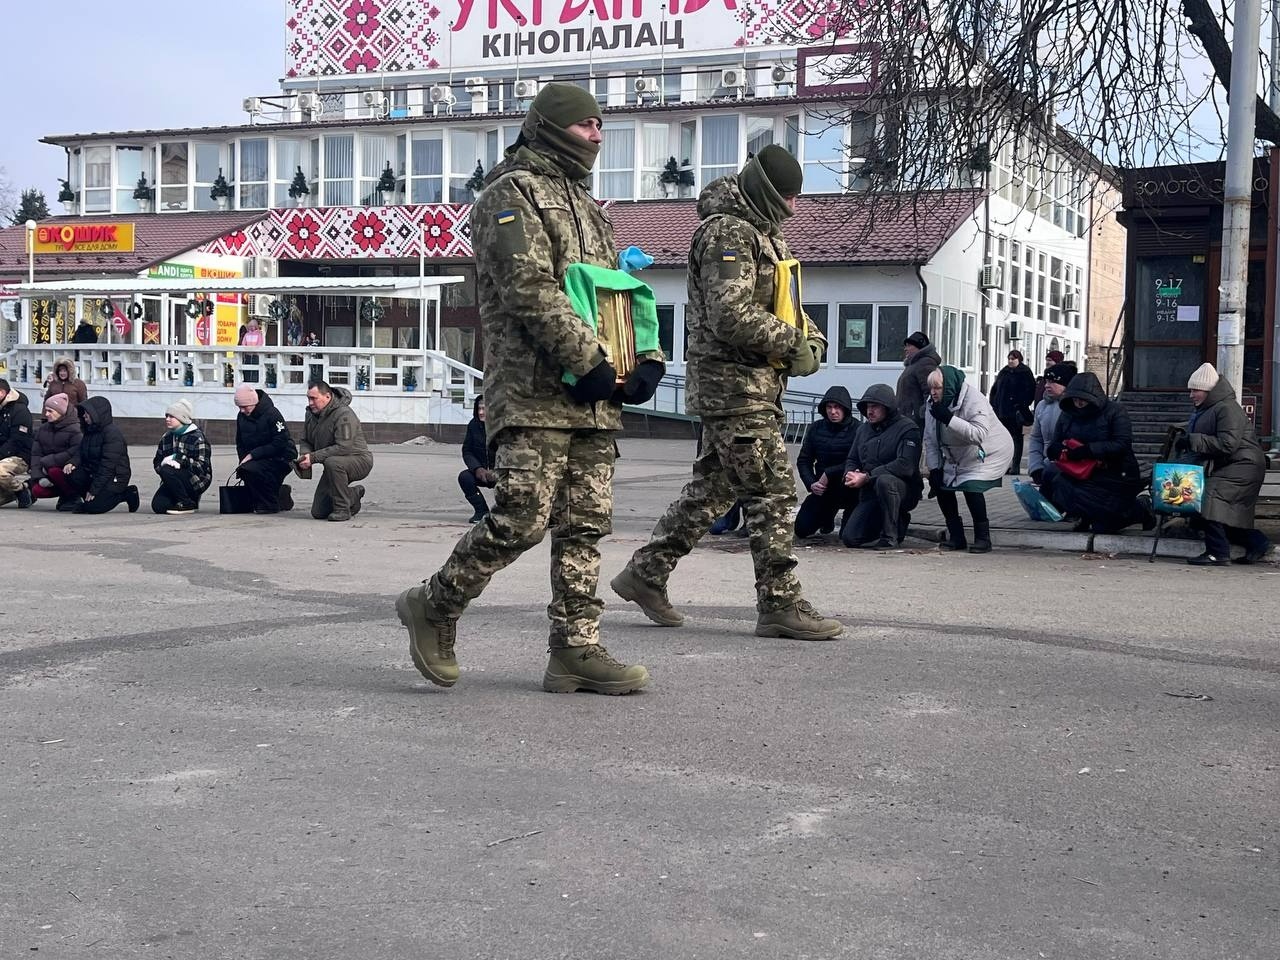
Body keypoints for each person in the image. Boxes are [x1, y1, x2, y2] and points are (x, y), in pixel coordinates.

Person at [394, 83, 664, 694]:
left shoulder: (588, 204)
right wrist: (589, 358)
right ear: (550, 127)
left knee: (585, 523)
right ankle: (435, 604)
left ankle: (576, 647)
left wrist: (641, 358)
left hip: (594, 395)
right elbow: (529, 289)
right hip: (536, 391)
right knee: (522, 515)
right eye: (586, 124)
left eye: (601, 124)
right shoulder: (508, 195)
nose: (598, 134)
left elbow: (613, 292)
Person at [611, 144, 842, 641]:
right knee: (773, 492)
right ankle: (780, 604)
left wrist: (812, 339)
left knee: (712, 490)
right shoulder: (727, 233)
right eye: (787, 197)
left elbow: (785, 304)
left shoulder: (761, 235)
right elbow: (729, 315)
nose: (793, 208)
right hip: (733, 391)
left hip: (753, 389)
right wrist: (792, 343)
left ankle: (645, 574)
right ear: (763, 190)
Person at [1174, 363, 1273, 566]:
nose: (1191, 395)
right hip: (1236, 464)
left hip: (1243, 466)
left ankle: (1217, 553)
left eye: (1195, 390)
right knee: (1223, 512)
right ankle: (1257, 542)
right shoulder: (1212, 408)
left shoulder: (1227, 408)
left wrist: (1193, 440)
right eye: (1191, 390)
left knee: (1209, 498)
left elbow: (1228, 444)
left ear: (1209, 391)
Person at [1040, 371, 1151, 534]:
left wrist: (1088, 450)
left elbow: (1122, 444)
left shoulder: (1115, 411)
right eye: (1075, 399)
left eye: (1082, 399)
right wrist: (1056, 450)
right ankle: (1086, 516)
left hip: (1115, 472)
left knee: (1106, 525)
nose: (1078, 403)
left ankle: (1141, 509)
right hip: (1079, 470)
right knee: (1060, 484)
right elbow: (1056, 442)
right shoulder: (1068, 414)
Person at [924, 365, 1014, 553]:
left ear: (948, 387)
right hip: (957, 454)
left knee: (971, 486)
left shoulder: (974, 399)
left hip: (989, 451)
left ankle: (983, 538)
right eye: (931, 388)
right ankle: (956, 537)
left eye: (937, 388)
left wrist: (949, 419)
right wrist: (934, 468)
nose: (933, 392)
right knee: (941, 486)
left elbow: (979, 434)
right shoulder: (932, 404)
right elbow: (930, 438)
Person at [840, 383, 922, 548]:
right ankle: (886, 523)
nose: (870, 411)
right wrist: (850, 473)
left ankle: (890, 536)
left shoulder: (907, 428)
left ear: (888, 407)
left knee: (885, 481)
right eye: (868, 407)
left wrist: (868, 476)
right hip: (870, 490)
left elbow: (905, 465)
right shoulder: (863, 430)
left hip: (901, 489)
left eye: (875, 406)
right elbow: (852, 458)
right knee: (850, 538)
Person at [297, 380, 372, 522]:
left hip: (358, 460)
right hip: (334, 464)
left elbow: (344, 447)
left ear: (327, 396)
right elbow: (305, 440)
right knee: (318, 512)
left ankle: (342, 510)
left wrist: (313, 458)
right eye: (308, 398)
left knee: (332, 462)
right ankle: (352, 496)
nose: (310, 402)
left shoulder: (344, 414)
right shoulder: (311, 414)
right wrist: (305, 455)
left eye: (314, 398)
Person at [793, 385, 858, 538]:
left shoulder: (858, 429)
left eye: (837, 407)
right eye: (829, 407)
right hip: (823, 489)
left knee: (849, 536)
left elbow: (859, 462)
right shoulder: (816, 428)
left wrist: (830, 473)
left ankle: (848, 518)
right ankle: (826, 517)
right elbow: (804, 460)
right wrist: (811, 483)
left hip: (849, 489)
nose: (833, 412)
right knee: (802, 529)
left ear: (845, 408)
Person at [63, 396, 138, 514]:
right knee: (70, 473)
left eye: (87, 413)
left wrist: (94, 490)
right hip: (94, 473)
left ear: (96, 414)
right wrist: (72, 462)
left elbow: (107, 466)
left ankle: (127, 493)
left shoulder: (112, 434)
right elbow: (81, 451)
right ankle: (89, 499)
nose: (84, 416)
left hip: (114, 477)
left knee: (95, 508)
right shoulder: (90, 431)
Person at [234, 385, 297, 514]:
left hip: (282, 456)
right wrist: (242, 460)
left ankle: (269, 505)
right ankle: (277, 495)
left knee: (256, 471)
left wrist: (253, 455)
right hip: (258, 458)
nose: (242, 410)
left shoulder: (272, 414)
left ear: (254, 403)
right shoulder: (241, 417)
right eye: (239, 407)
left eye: (245, 407)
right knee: (245, 470)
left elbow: (281, 441)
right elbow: (240, 442)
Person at [149, 399, 213, 514]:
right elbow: (157, 461)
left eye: (172, 416)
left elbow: (203, 466)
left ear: (182, 418)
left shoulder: (197, 437)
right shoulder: (166, 437)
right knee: (159, 506)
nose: (167, 419)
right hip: (171, 480)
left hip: (196, 480)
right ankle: (184, 499)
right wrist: (163, 464)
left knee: (168, 470)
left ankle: (187, 503)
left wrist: (180, 459)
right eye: (166, 416)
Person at [26, 394, 82, 509]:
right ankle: (64, 495)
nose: (47, 414)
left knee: (54, 471)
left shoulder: (75, 430)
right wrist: (39, 477)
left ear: (60, 412)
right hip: (46, 470)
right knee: (38, 491)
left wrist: (48, 461)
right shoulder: (43, 429)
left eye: (50, 411)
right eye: (46, 411)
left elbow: (75, 452)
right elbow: (36, 454)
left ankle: (73, 497)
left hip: (69, 471)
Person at [1027, 361, 1077, 485]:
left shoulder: (1075, 406)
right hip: (1045, 468)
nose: (1047, 386)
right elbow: (1036, 439)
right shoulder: (1042, 406)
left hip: (1068, 469)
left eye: (1052, 382)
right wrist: (1035, 467)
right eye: (1046, 381)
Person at [989, 349, 1036, 474]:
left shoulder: (1024, 372)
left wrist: (1021, 404)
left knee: (1016, 438)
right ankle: (1003, 465)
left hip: (1015, 412)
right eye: (1009, 358)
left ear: (1019, 360)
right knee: (1002, 438)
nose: (1010, 361)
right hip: (1001, 411)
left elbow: (1030, 391)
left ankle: (1015, 466)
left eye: (1013, 359)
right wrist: (994, 403)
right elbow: (995, 388)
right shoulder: (1004, 372)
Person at [458, 394, 496, 522]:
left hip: (502, 471)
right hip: (482, 471)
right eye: (479, 408)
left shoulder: (503, 426)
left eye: (484, 409)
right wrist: (477, 468)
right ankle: (481, 511)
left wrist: (497, 470)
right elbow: (467, 450)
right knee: (465, 477)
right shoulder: (473, 425)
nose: (481, 412)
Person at [896, 331, 941, 428]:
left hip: (916, 421)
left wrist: (922, 414)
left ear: (919, 347)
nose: (905, 349)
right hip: (908, 418)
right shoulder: (913, 364)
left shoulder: (925, 363)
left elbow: (930, 391)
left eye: (908, 346)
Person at [0, 378, 34, 508]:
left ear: (2, 393)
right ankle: (12, 494)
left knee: (0, 471)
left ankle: (21, 490)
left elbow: (17, 441)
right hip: (4, 453)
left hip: (20, 455)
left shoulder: (20, 410)